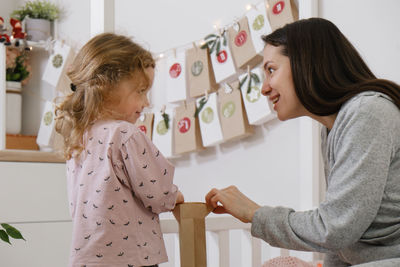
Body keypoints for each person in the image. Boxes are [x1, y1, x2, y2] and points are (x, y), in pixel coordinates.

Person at [205, 17, 400, 267]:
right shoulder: (332, 128)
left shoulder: (368, 113)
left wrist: (254, 214)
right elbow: (341, 235)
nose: (264, 88)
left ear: (305, 63)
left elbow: (335, 227)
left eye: (271, 70)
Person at [55, 33, 184, 267]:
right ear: (106, 87)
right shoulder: (125, 135)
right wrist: (175, 197)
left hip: (87, 258)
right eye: (141, 91)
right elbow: (158, 194)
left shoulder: (79, 137)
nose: (147, 103)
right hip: (129, 258)